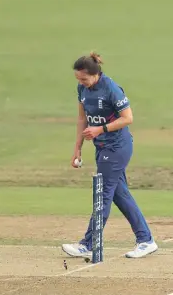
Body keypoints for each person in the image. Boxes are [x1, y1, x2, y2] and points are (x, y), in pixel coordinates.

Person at [61, 52, 158, 259]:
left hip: (117, 147)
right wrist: (77, 148)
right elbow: (82, 120)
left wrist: (100, 129)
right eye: (78, 79)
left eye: (84, 79)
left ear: (95, 75)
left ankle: (87, 244)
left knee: (103, 195)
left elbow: (128, 118)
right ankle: (146, 240)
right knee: (119, 194)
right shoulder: (82, 89)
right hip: (102, 147)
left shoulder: (111, 89)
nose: (81, 82)